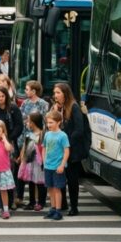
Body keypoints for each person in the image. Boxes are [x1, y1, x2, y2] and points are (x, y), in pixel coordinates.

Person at [51, 83, 89, 216]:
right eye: (55, 93)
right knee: (60, 176)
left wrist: (66, 144)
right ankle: (63, 203)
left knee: (72, 179)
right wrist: (55, 112)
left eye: (58, 93)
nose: (55, 95)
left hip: (72, 150)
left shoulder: (74, 107)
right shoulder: (58, 108)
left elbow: (79, 130)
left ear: (65, 94)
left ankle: (74, 207)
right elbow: (51, 124)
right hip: (60, 149)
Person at [0, 86, 23, 211]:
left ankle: (11, 200)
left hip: (9, 142)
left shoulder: (13, 108)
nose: (1, 98)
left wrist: (9, 138)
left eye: (3, 96)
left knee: (9, 173)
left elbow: (19, 126)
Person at [16, 80, 48, 206]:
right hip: (27, 138)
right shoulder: (25, 103)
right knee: (28, 171)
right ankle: (26, 199)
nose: (25, 91)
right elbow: (21, 119)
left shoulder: (43, 104)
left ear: (34, 91)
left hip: (38, 138)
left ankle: (40, 201)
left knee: (38, 173)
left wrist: (41, 136)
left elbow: (45, 122)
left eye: (27, 89)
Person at [43, 110, 70, 221]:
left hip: (57, 167)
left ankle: (58, 211)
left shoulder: (63, 135)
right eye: (47, 122)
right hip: (48, 166)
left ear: (58, 122)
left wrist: (62, 165)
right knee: (50, 188)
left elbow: (67, 151)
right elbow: (44, 148)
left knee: (57, 189)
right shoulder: (47, 134)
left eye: (51, 122)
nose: (48, 125)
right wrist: (44, 161)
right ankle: (53, 209)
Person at [17, 111, 46, 211]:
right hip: (29, 161)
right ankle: (32, 202)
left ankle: (41, 202)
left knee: (40, 182)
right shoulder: (29, 134)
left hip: (39, 162)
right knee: (31, 182)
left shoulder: (42, 134)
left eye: (28, 121)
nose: (26, 122)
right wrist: (21, 157)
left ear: (33, 123)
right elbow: (25, 146)